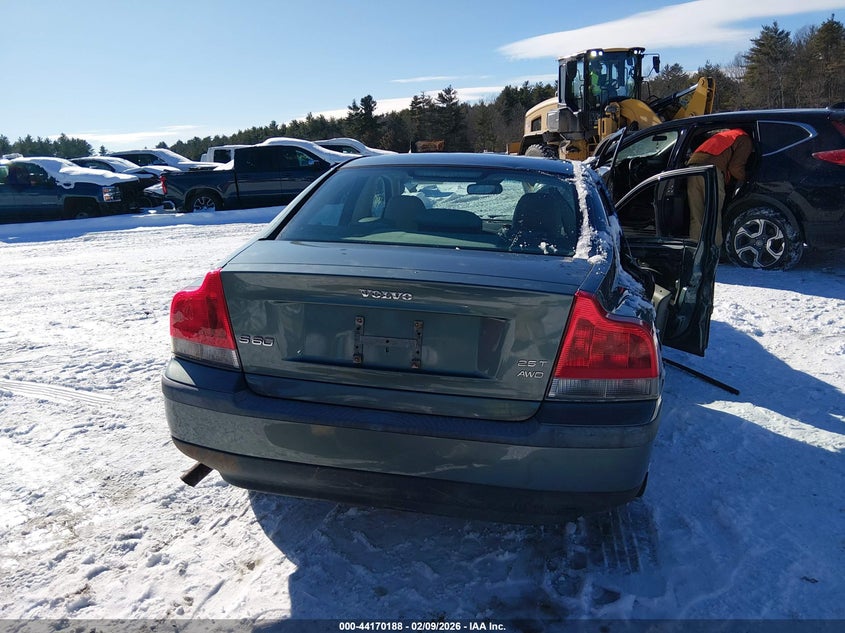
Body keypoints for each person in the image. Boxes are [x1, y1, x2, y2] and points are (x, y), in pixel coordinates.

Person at [685, 128, 753, 244]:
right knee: (713, 213)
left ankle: (695, 249)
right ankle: (713, 249)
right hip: (711, 171)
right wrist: (748, 179)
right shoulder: (745, 140)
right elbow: (735, 168)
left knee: (696, 214)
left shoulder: (725, 135)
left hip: (692, 168)